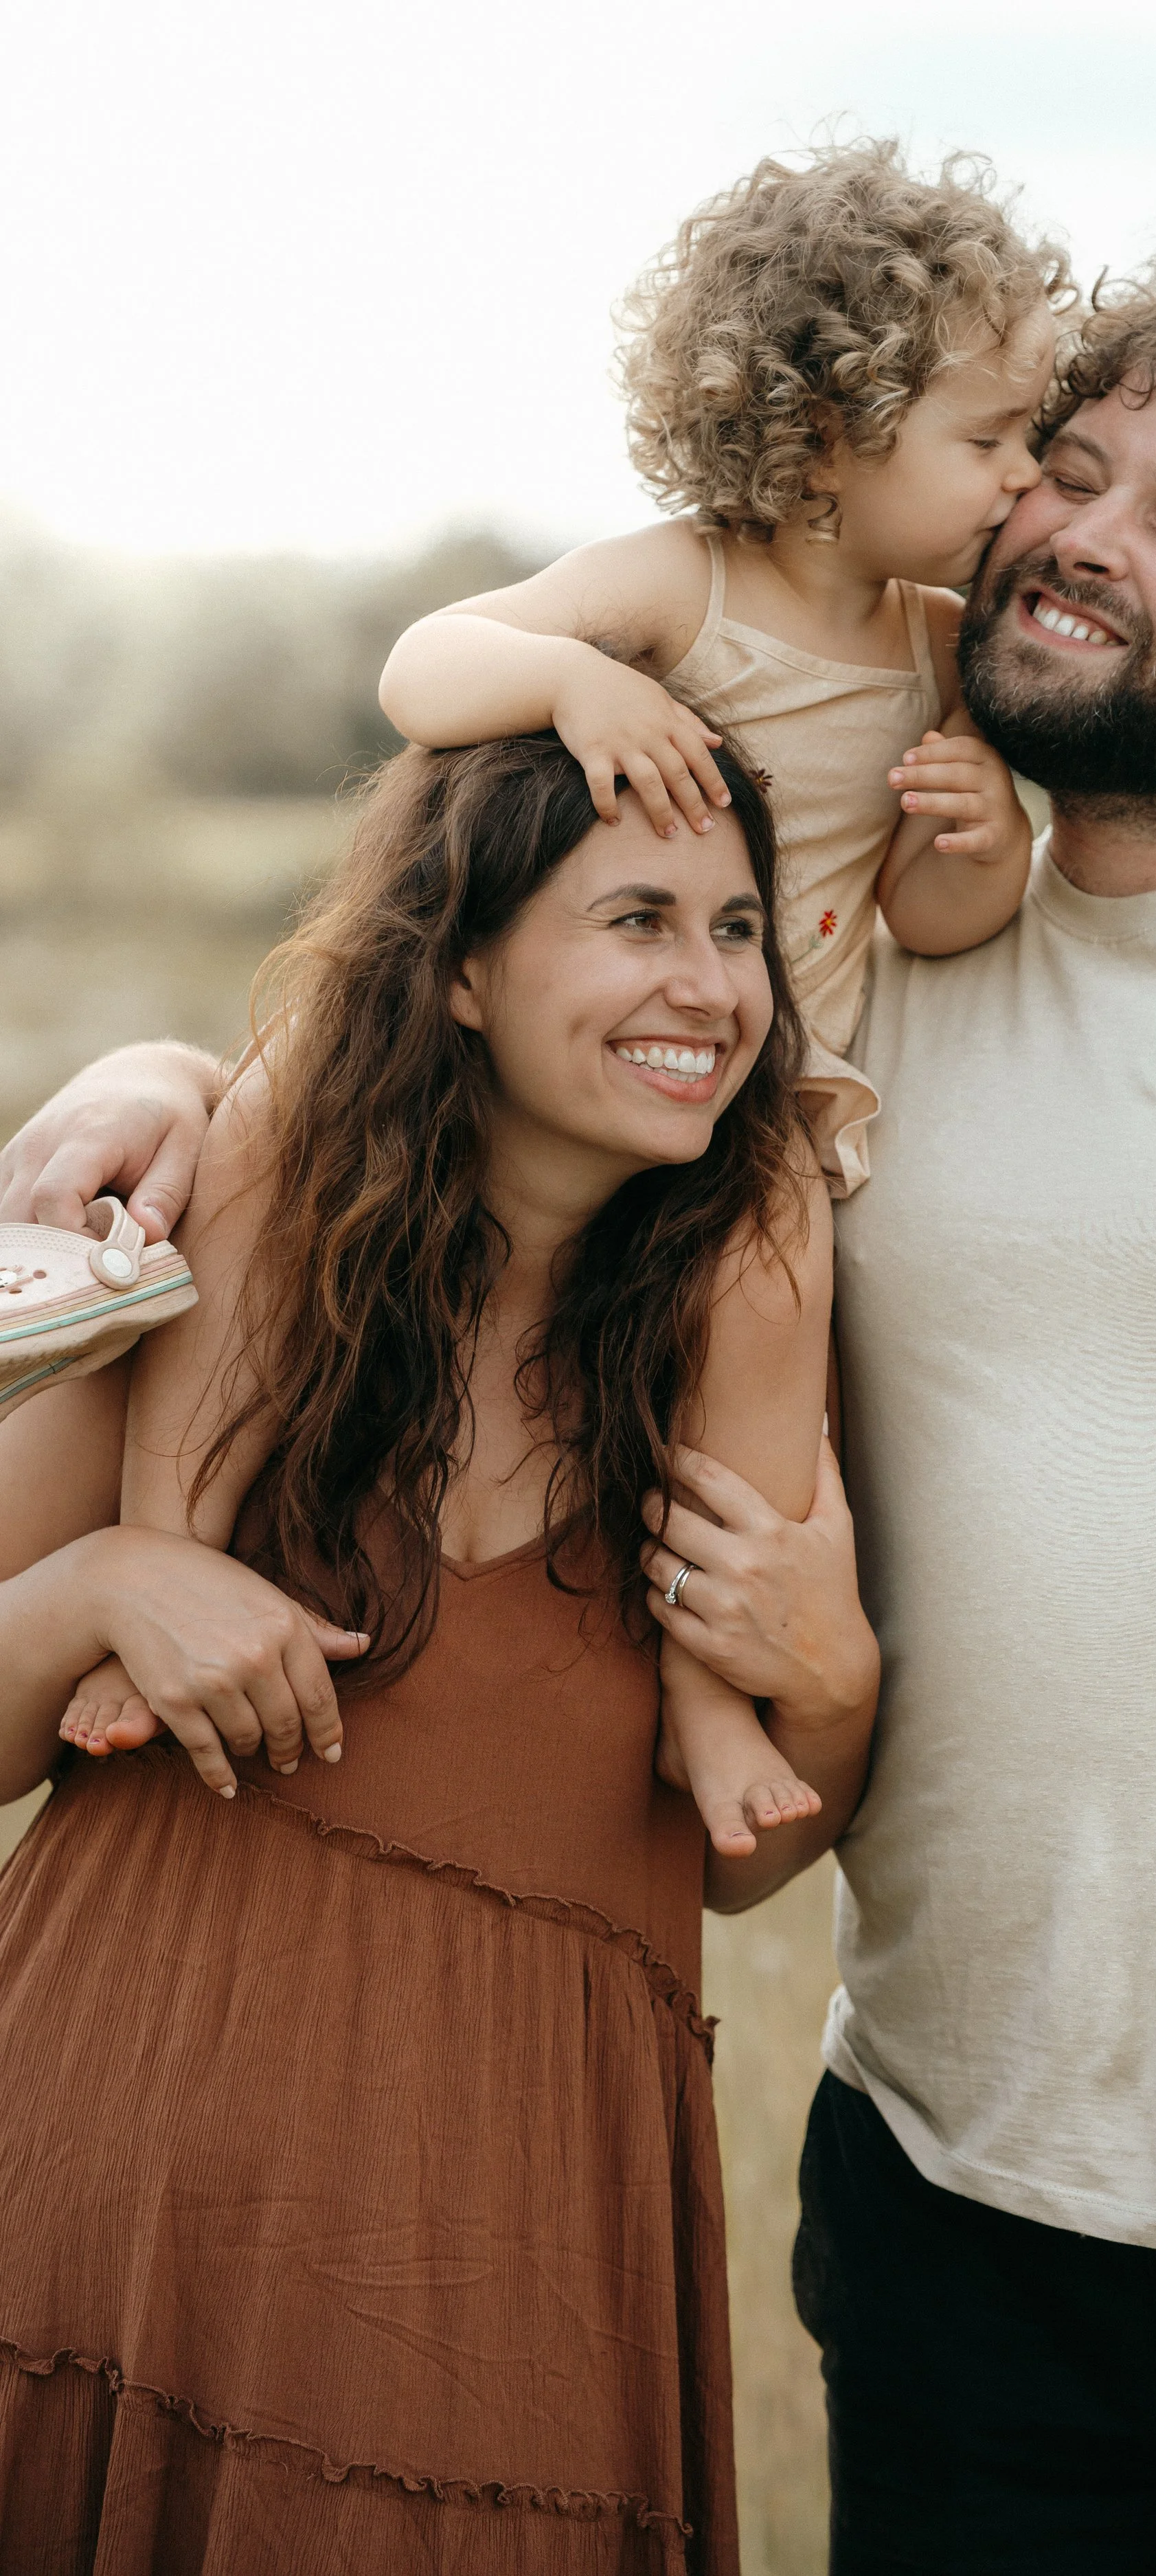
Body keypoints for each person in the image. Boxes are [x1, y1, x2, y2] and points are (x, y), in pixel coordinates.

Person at [18, 245, 1156, 2576]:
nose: (1087, 530)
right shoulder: (825, 999)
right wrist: (161, 1083)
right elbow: (464, 1067)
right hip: (960, 2217)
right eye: (1071, 467)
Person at [0, 730, 877, 2573]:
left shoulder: (733, 1313)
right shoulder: (222, 1239)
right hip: (108, 2184)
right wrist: (98, 1587)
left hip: (509, 2252)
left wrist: (841, 1683)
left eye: (734, 929)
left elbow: (749, 1864)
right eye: (633, 917)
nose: (706, 986)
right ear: (461, 966)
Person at [374, 139, 1068, 1852]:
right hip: (580, 1060)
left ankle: (702, 1672)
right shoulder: (678, 583)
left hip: (758, 1080)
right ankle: (179, 1537)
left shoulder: (931, 648)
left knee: (767, 1295)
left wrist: (982, 839)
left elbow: (937, 920)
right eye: (985, 438)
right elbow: (420, 670)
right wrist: (567, 685)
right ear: (828, 435)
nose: (1022, 479)